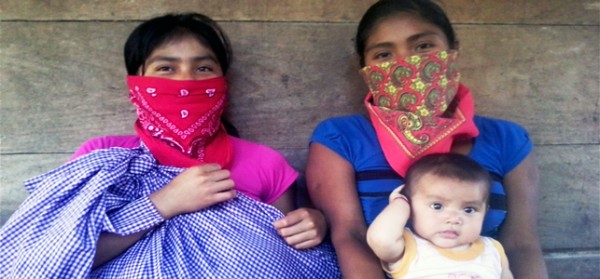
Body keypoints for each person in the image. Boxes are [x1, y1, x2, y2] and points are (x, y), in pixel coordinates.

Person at [0, 13, 340, 278]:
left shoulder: (264, 163)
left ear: (223, 82)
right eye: (166, 68)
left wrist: (314, 226)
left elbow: (281, 256)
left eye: (203, 67)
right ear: (136, 83)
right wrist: (164, 204)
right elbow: (55, 255)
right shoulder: (103, 156)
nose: (185, 81)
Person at [305, 0, 548, 278]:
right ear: (365, 69)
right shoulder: (340, 139)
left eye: (423, 47)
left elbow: (522, 245)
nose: (406, 64)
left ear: (452, 50)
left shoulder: (507, 140)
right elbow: (351, 237)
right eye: (384, 54)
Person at [367, 153, 514, 279]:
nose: (453, 219)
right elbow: (380, 239)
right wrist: (400, 203)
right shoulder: (409, 247)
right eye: (437, 206)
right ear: (410, 208)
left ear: (485, 212)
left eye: (469, 209)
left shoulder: (493, 250)